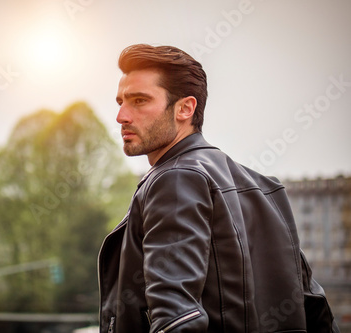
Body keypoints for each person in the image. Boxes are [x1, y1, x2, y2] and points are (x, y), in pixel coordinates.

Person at [97, 44, 339, 333]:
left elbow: (177, 320)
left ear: (185, 108)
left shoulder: (174, 178)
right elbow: (316, 311)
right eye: (120, 101)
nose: (121, 116)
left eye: (139, 101)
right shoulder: (266, 188)